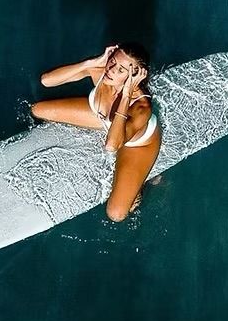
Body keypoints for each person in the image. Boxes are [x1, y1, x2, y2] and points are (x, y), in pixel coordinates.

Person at [30, 42, 161, 221]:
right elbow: (47, 81)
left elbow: (112, 145)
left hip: (135, 145)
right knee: (38, 110)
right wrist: (90, 64)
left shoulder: (141, 108)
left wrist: (126, 95)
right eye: (113, 61)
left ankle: (142, 182)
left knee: (116, 214)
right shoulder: (102, 70)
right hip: (103, 121)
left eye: (121, 70)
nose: (112, 69)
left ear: (134, 76)